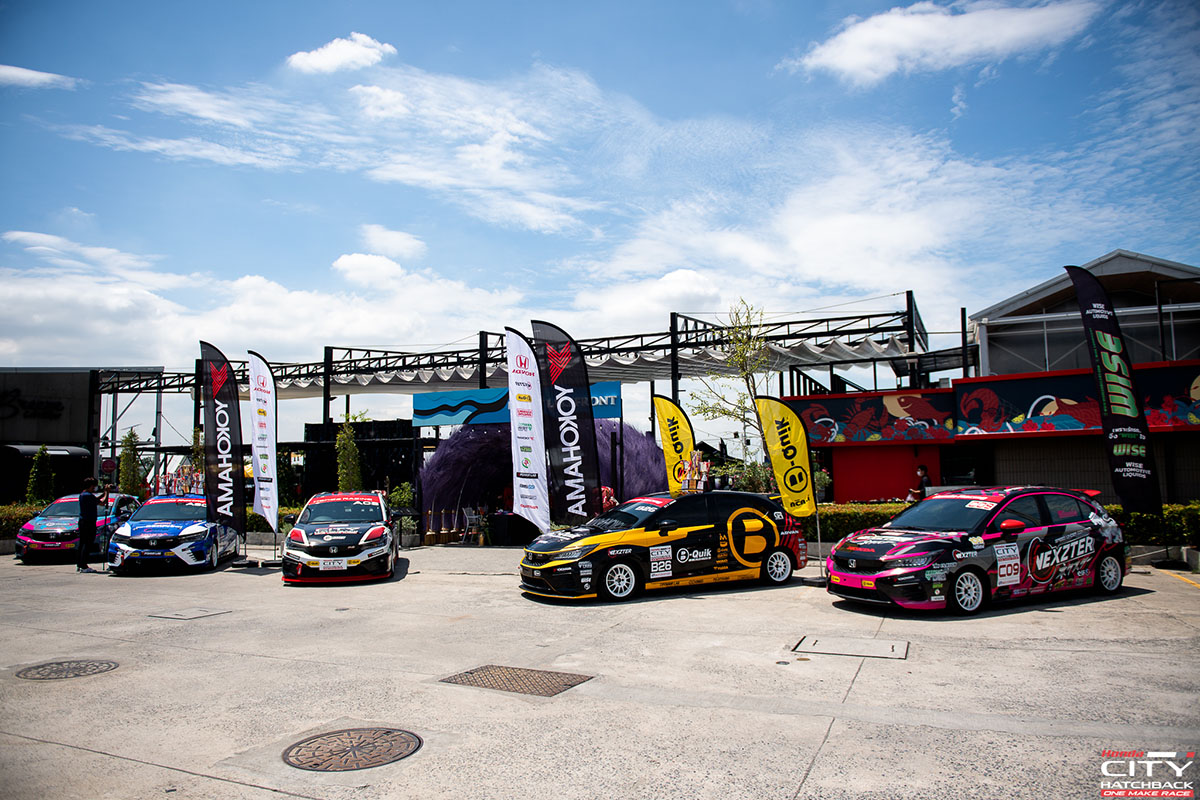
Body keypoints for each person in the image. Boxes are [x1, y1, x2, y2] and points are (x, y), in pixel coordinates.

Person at [76, 478, 110, 573]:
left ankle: (80, 564)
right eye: (94, 487)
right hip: (89, 522)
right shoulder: (89, 496)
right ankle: (84, 565)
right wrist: (107, 493)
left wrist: (104, 492)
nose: (94, 489)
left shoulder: (83, 494)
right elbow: (103, 503)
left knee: (82, 543)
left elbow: (96, 499)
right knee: (88, 543)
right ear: (91, 486)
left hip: (83, 521)